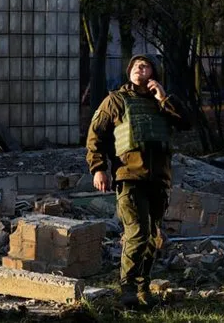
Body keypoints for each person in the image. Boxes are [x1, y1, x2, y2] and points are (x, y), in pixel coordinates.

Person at [86, 54, 189, 308]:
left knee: (153, 236)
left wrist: (164, 98)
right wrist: (99, 169)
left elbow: (187, 123)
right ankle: (128, 289)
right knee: (137, 232)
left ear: (154, 73)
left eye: (145, 66)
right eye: (135, 66)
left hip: (159, 181)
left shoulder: (161, 103)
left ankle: (144, 289)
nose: (138, 69)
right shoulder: (116, 101)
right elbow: (95, 136)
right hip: (129, 178)